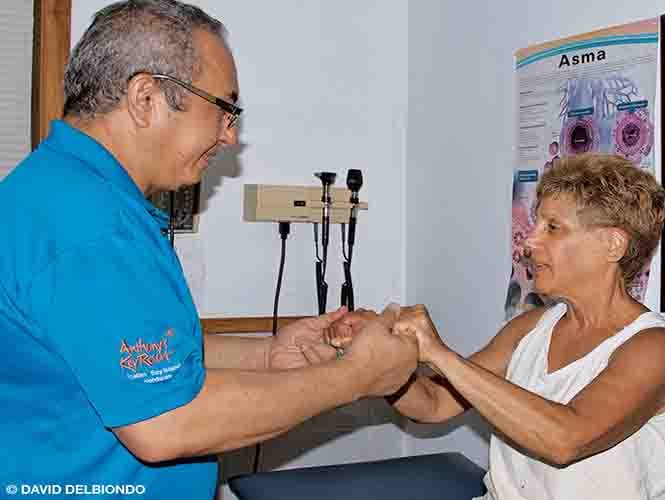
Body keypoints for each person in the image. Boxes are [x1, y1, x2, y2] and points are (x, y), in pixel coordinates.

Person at [0, 1, 417, 498]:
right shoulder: (91, 227)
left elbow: (120, 358)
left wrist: (268, 354)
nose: (230, 135)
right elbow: (167, 422)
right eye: (223, 108)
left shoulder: (62, 192)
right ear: (146, 98)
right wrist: (357, 376)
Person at [330, 153, 665, 500]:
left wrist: (440, 355)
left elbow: (566, 439)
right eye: (536, 225)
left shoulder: (657, 349)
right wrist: (378, 356)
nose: (529, 241)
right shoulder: (530, 328)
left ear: (612, 244)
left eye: (552, 228)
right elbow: (434, 403)